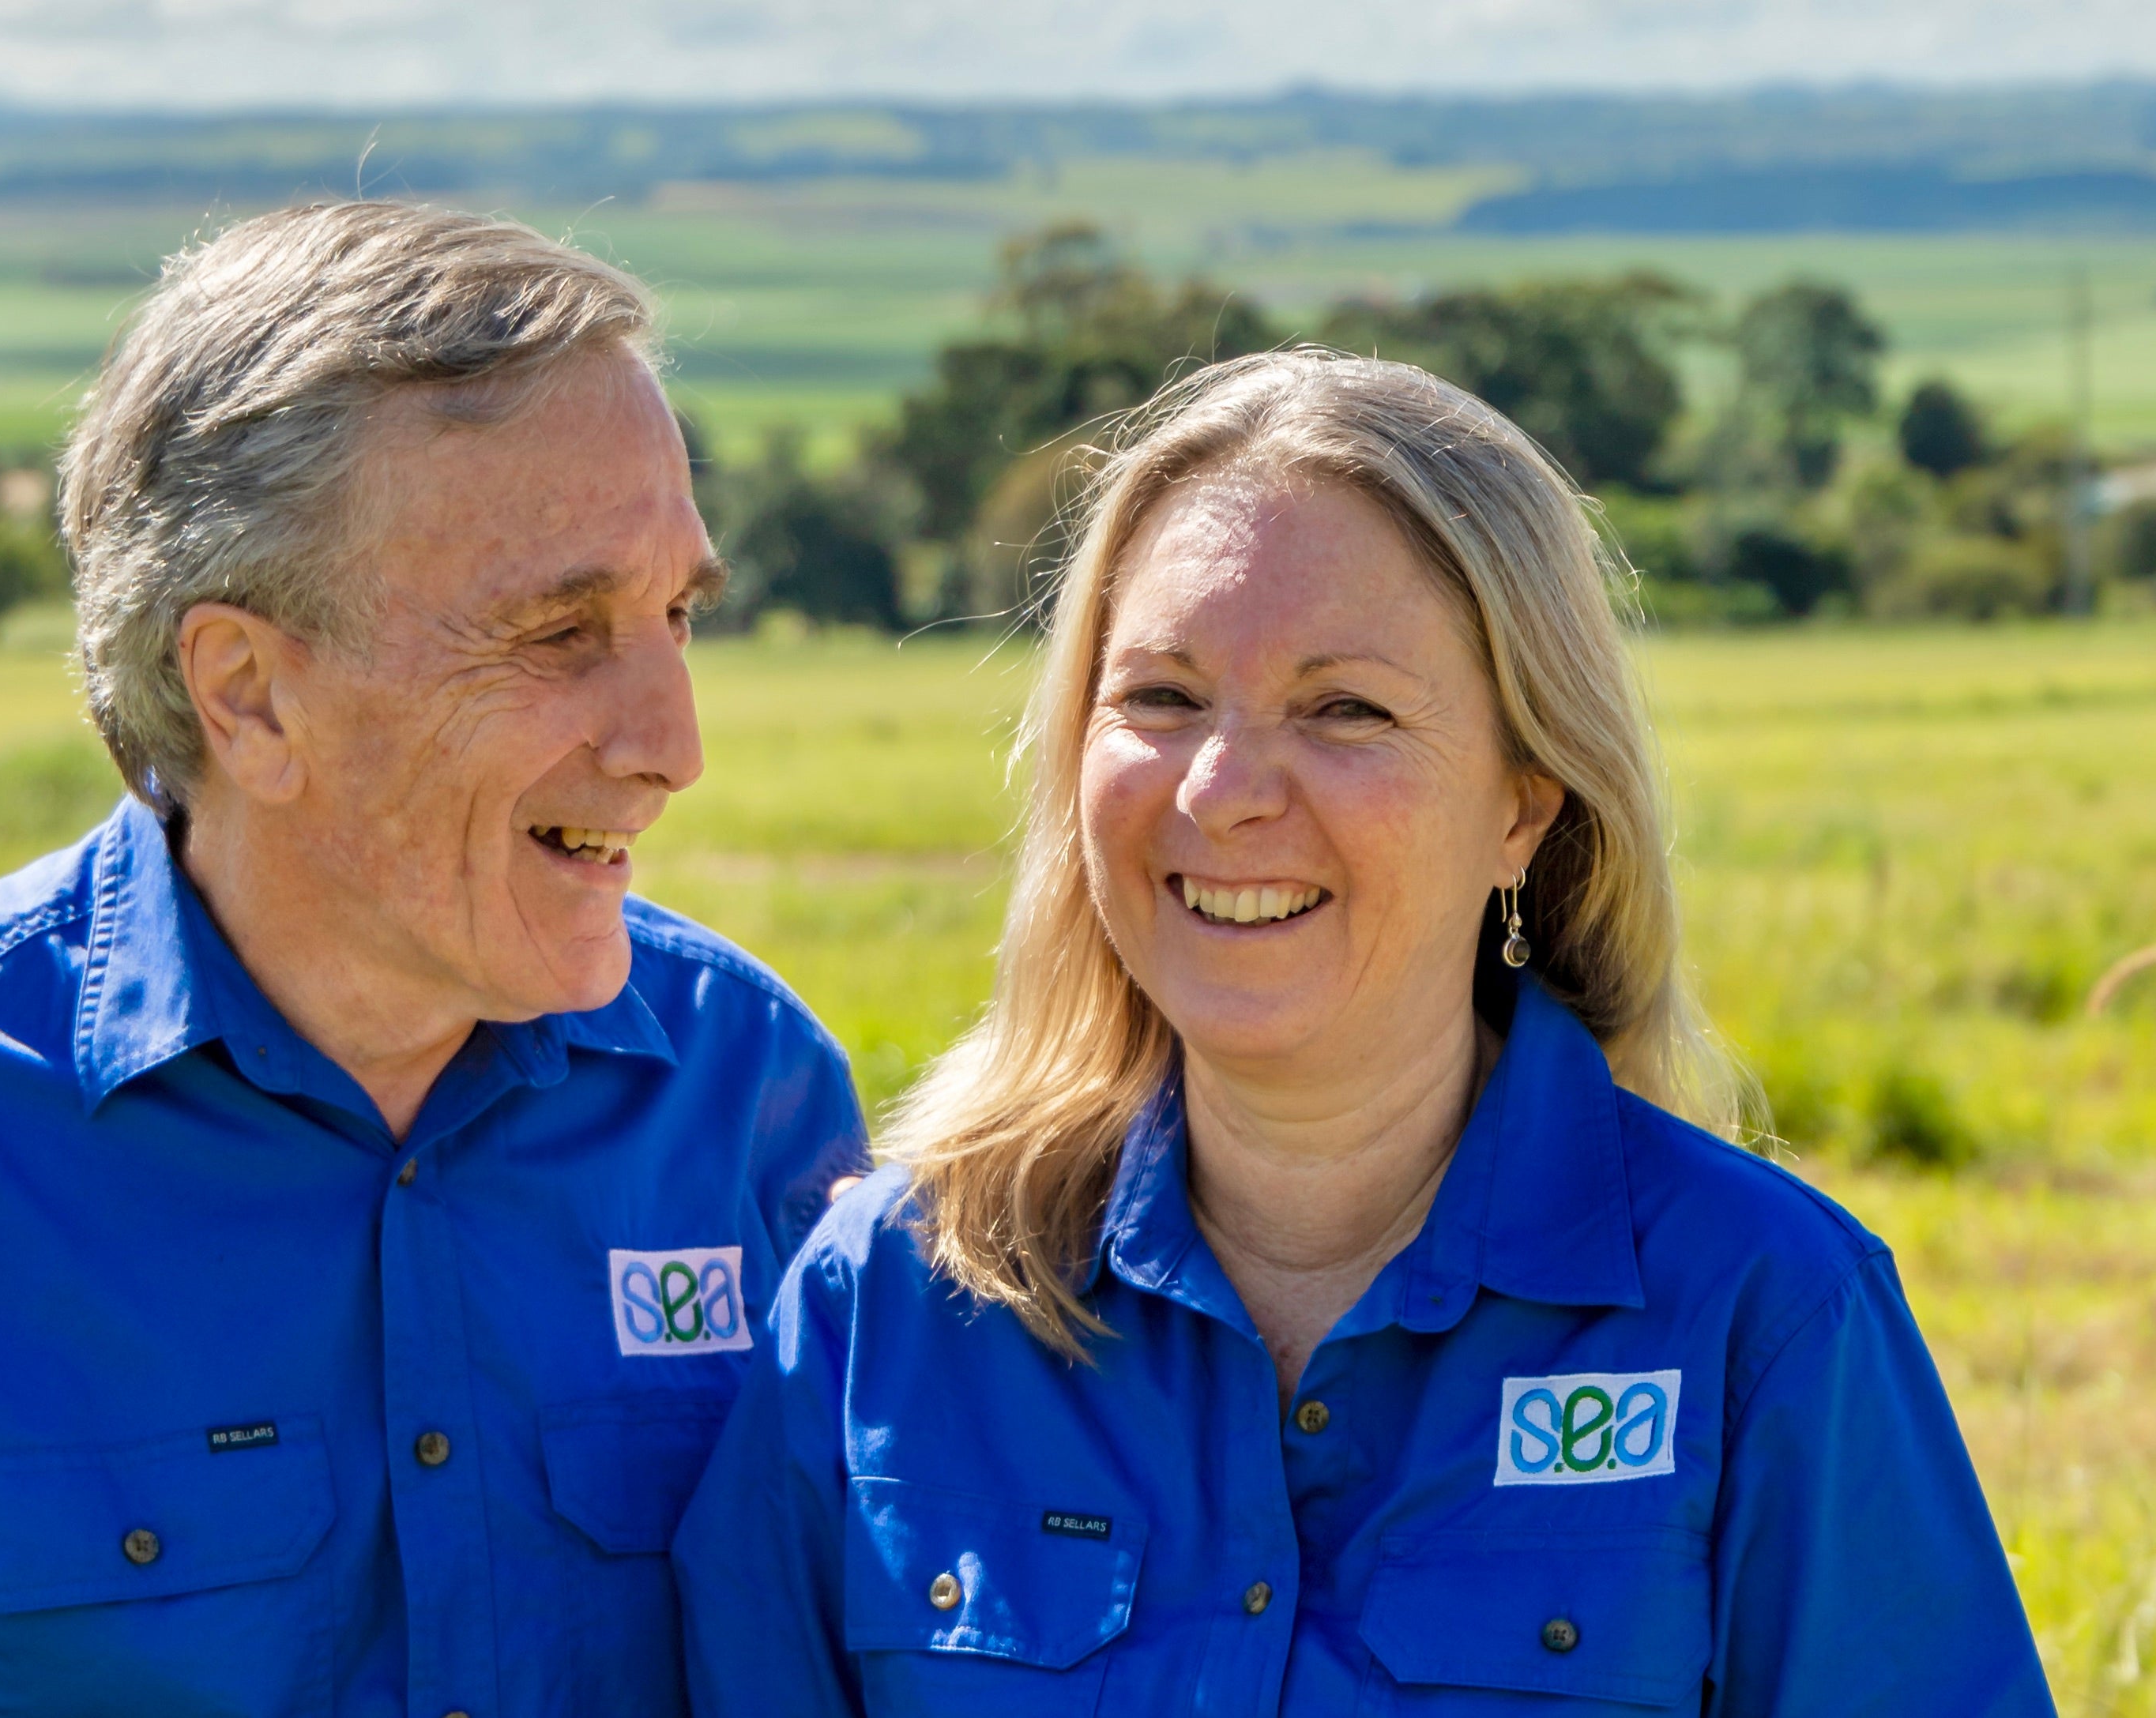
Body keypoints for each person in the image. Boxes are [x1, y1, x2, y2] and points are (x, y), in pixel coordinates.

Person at [0, 201, 868, 1717]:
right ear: (246, 695)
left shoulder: (747, 1092)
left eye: (677, 617)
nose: (672, 747)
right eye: (561, 632)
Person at [673, 350, 2053, 1716]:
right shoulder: (891, 1305)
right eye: (1159, 695)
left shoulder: (1761, 1313)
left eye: (1345, 710)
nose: (1220, 792)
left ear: (1525, 801)